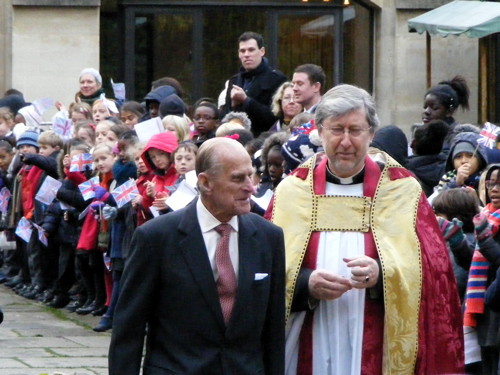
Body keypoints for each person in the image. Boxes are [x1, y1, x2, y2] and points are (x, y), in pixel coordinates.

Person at [269, 84, 464, 374]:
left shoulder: (402, 190)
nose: (345, 141)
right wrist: (305, 283)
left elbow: (434, 272)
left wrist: (382, 274)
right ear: (320, 132)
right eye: (336, 130)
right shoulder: (292, 191)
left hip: (377, 332)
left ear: (371, 133)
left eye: (355, 130)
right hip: (308, 332)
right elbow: (265, 268)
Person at [109, 137, 286, 375]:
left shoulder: (268, 237)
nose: (251, 187)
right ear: (206, 182)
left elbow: (273, 329)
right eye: (237, 178)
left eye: (250, 175)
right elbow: (129, 327)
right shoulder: (157, 238)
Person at [220, 31, 287, 136]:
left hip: (262, 141)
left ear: (262, 51)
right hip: (235, 140)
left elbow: (276, 117)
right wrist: (233, 106)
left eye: (251, 50)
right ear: (238, 54)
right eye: (242, 51)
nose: (246, 55)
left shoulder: (276, 79)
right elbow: (224, 118)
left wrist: (246, 101)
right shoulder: (234, 80)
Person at [422, 75, 470, 154]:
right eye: (425, 107)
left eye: (434, 108)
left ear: (449, 112)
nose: (426, 111)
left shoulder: (458, 139)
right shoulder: (421, 134)